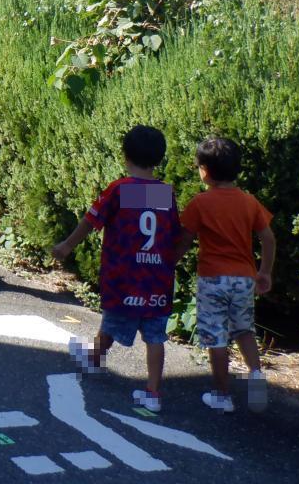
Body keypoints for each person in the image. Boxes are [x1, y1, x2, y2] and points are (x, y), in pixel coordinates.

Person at [51, 125, 180, 414]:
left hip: (124, 274)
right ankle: (153, 392)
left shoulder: (120, 190)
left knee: (112, 321)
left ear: (125, 155)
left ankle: (95, 358)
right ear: (158, 158)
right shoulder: (164, 194)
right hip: (156, 277)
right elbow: (172, 234)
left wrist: (67, 245)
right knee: (155, 336)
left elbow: (91, 220)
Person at [173, 135, 276, 414]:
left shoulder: (200, 203)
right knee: (243, 329)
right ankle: (256, 374)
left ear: (205, 171)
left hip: (212, 279)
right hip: (244, 278)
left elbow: (184, 241)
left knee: (215, 336)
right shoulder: (249, 202)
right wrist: (264, 271)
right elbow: (268, 238)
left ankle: (221, 394)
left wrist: (167, 263)